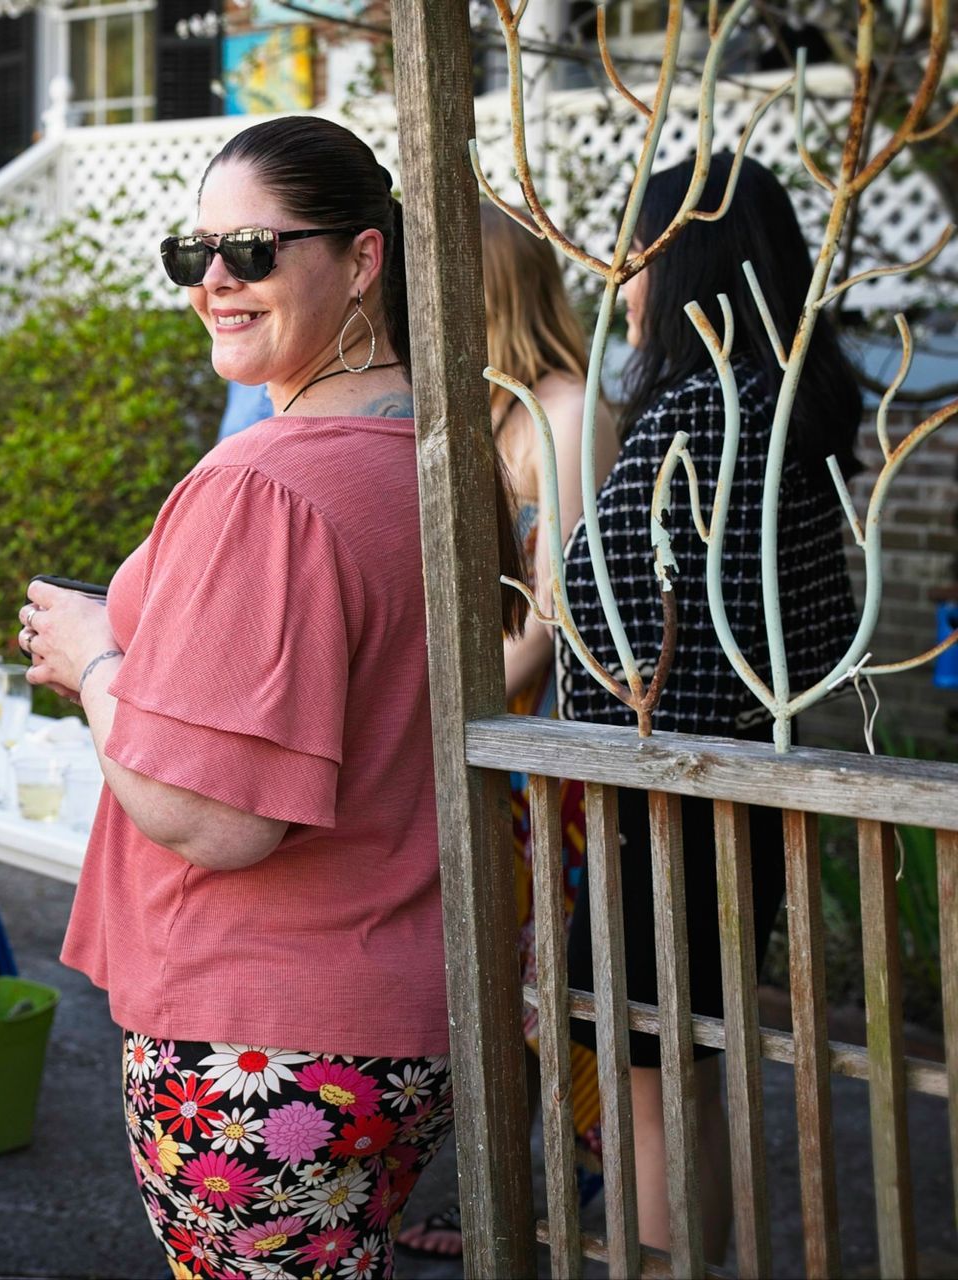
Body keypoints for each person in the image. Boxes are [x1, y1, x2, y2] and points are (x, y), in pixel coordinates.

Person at [18, 115, 526, 1280]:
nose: (213, 281)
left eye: (250, 250)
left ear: (360, 260)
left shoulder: (266, 484)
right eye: (191, 253)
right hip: (405, 1010)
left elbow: (218, 818)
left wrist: (98, 658)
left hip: (260, 1030)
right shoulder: (436, 458)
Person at [557, 153, 860, 1263]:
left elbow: (601, 601)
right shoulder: (797, 397)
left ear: (686, 261)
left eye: (640, 253)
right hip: (747, 769)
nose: (625, 283)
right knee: (694, 1069)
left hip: (661, 785)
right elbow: (819, 611)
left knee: (649, 1083)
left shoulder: (698, 406)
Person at [397, 201, 619, 1261]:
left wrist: (457, 718)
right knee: (496, 981)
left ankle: (565, 1215)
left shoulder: (567, 411)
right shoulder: (470, 407)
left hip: (532, 740)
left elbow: (554, 616)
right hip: (471, 726)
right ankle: (508, 1205)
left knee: (544, 981)